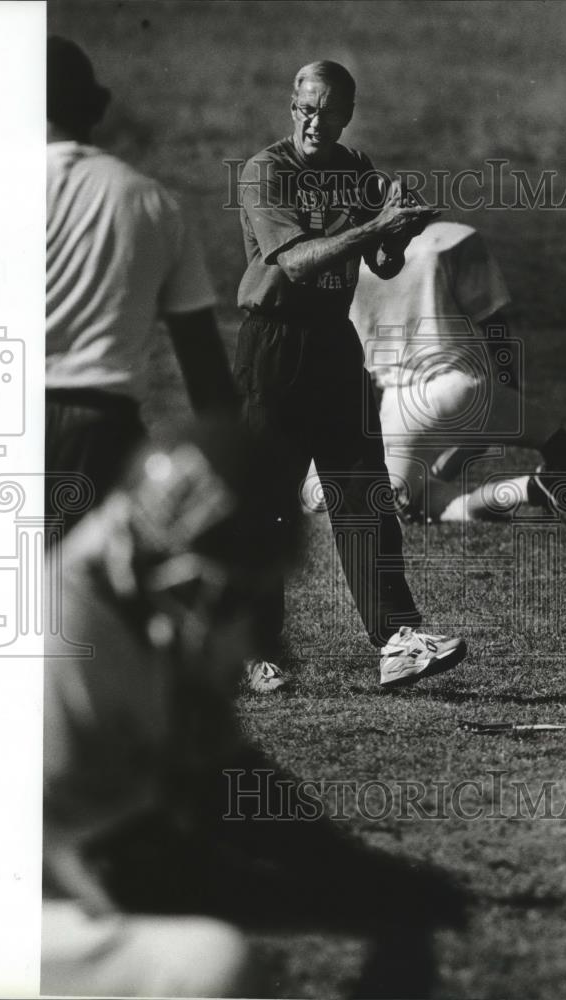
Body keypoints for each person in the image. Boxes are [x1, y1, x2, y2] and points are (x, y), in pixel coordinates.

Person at [41, 418, 469, 998]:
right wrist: (340, 900)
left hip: (59, 876)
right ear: (180, 565)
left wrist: (356, 871)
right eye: (237, 588)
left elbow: (225, 775)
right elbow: (131, 871)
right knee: (209, 966)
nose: (243, 619)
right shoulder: (60, 634)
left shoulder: (137, 579)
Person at [235, 60, 467, 691]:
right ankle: (256, 650)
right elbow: (301, 264)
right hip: (276, 344)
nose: (313, 121)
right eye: (303, 108)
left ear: (346, 116)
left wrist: (400, 233)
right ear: (292, 106)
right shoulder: (268, 171)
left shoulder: (356, 169)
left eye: (326, 111)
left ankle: (397, 639)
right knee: (269, 505)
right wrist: (375, 227)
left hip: (335, 343)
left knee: (364, 493)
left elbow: (383, 264)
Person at [45, 36, 237, 532]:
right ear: (93, 111)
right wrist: (236, 473)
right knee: (81, 599)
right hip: (99, 433)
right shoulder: (150, 202)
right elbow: (205, 367)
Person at [348, 220, 566, 524]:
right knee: (556, 441)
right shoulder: (446, 240)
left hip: (401, 405)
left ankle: (528, 490)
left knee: (404, 501)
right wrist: (508, 387)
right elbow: (492, 321)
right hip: (466, 387)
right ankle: (539, 489)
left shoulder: (348, 260)